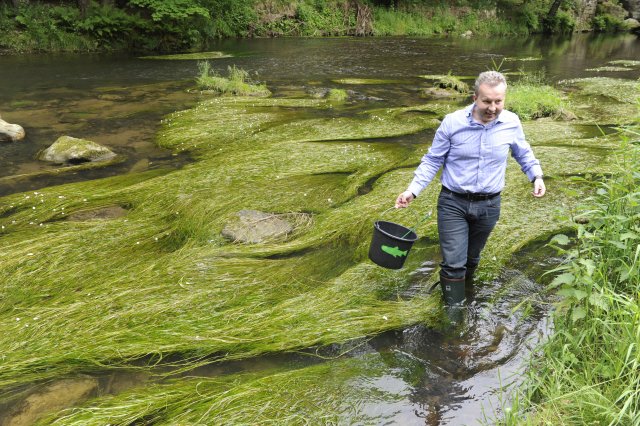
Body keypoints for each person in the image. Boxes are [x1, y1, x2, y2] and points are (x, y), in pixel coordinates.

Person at [395, 71, 546, 305]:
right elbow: (433, 160)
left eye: (498, 101)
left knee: (471, 260)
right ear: (475, 97)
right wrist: (412, 190)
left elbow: (523, 152)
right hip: (453, 202)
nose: (493, 108)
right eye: (487, 101)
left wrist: (536, 176)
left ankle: (464, 292)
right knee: (454, 263)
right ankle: (454, 317)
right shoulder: (453, 122)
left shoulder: (511, 123)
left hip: (489, 205)